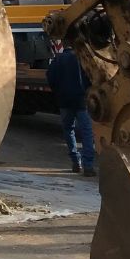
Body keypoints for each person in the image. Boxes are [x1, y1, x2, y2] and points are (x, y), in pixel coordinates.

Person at [46, 42, 96, 176]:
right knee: (87, 133)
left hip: (64, 102)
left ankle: (75, 162)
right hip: (81, 101)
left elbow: (50, 78)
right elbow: (92, 77)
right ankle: (88, 166)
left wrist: (58, 92)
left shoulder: (58, 59)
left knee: (69, 130)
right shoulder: (83, 58)